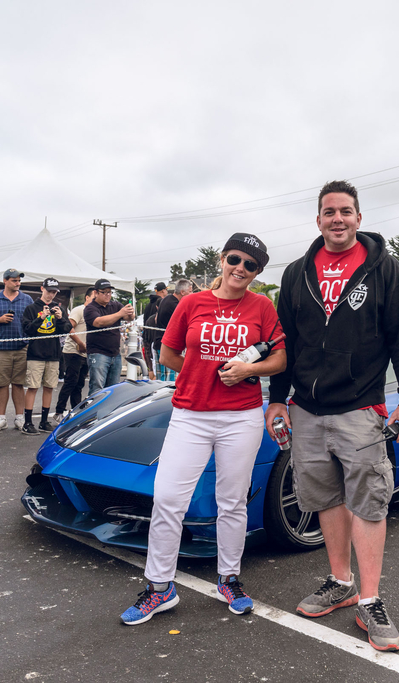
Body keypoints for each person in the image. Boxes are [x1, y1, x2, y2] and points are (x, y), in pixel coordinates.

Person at [266, 181, 399, 652]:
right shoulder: (296, 273)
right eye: (329, 212)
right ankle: (341, 581)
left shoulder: (385, 269)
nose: (338, 219)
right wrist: (277, 398)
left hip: (360, 408)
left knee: (369, 501)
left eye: (346, 211)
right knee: (325, 499)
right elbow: (284, 345)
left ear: (358, 218)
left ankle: (370, 600)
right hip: (307, 411)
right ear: (318, 220)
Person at [121, 233, 285, 626]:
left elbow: (279, 358)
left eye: (250, 265)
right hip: (191, 414)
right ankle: (160, 588)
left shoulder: (262, 307)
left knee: (232, 501)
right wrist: (202, 375)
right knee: (167, 499)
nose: (240, 269)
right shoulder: (192, 303)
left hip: (241, 416)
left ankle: (229, 578)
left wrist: (249, 369)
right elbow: (168, 354)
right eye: (235, 259)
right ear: (221, 259)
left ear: (258, 273)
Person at [0, 269, 33, 432]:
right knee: (1, 384)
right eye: (14, 280)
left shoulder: (27, 299)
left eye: (19, 281)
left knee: (19, 384)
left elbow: (32, 322)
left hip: (22, 348)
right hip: (1, 348)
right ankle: (1, 418)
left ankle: (19, 418)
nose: (17, 283)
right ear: (5, 281)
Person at [21, 278, 71, 434]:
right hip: (36, 354)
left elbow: (67, 329)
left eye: (54, 292)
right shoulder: (31, 308)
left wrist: (59, 318)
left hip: (53, 354)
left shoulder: (59, 309)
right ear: (42, 289)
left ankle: (44, 421)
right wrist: (41, 317)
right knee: (33, 387)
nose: (51, 295)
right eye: (49, 291)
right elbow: (27, 329)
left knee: (49, 387)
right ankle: (27, 422)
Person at [84, 279, 134, 390]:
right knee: (97, 388)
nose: (107, 295)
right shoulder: (90, 308)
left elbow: (128, 317)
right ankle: (95, 407)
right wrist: (120, 313)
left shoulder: (115, 305)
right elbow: (98, 322)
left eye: (109, 292)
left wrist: (130, 313)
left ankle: (109, 408)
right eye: (104, 292)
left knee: (113, 389)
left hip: (115, 353)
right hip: (98, 353)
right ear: (96, 293)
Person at [55, 287, 95, 419]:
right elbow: (68, 327)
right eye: (94, 297)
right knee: (70, 382)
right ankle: (59, 411)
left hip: (86, 352)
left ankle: (76, 411)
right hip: (73, 351)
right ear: (87, 297)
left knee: (79, 384)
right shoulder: (79, 310)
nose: (95, 300)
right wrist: (79, 342)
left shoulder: (95, 312)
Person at [153, 280, 193, 381]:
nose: (192, 294)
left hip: (159, 342)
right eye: (190, 291)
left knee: (160, 379)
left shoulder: (166, 299)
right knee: (170, 382)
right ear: (182, 292)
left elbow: (156, 319)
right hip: (168, 347)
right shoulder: (176, 306)